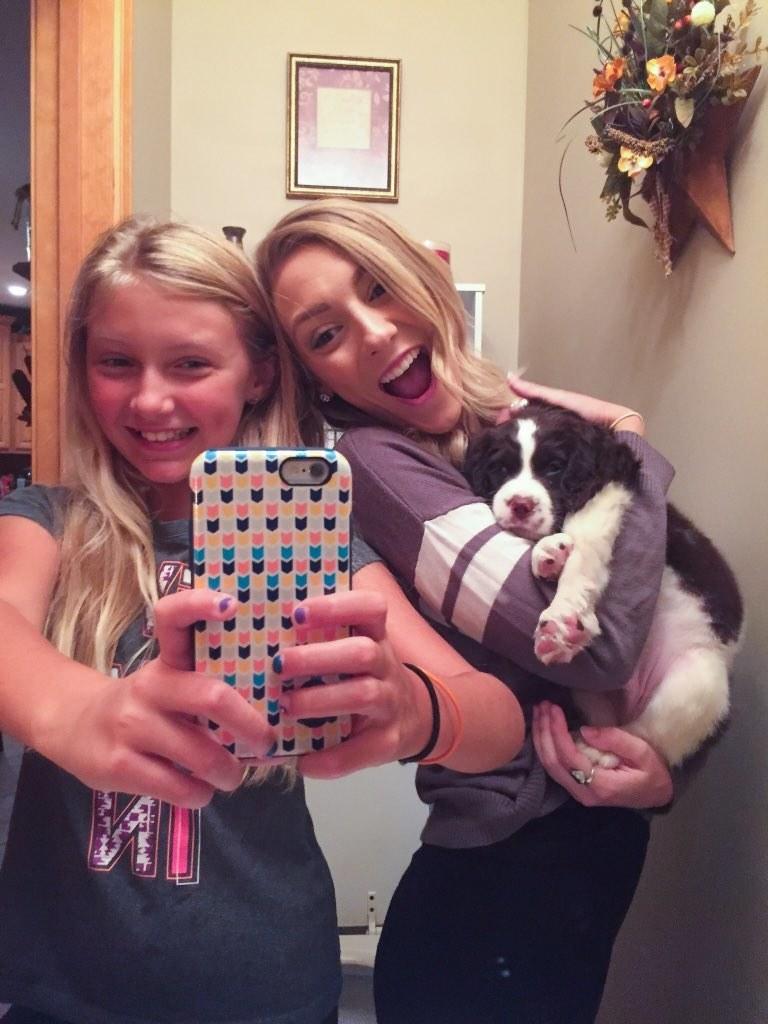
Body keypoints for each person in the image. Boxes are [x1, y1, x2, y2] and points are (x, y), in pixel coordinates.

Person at [0, 217, 526, 1024]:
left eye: (191, 364)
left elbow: (498, 722)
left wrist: (417, 710)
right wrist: (76, 710)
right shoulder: (48, 521)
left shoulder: (313, 547)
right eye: (116, 362)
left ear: (258, 374)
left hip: (269, 990)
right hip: (61, 994)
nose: (150, 398)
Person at [256, 198, 677, 1024]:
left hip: (577, 854)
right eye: (326, 333)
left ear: (423, 278)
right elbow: (593, 648)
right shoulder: (379, 464)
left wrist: (659, 775)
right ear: (316, 379)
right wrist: (630, 443)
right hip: (500, 882)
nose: (374, 332)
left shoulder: (505, 434)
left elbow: (651, 632)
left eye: (379, 287)